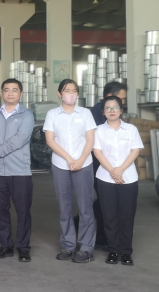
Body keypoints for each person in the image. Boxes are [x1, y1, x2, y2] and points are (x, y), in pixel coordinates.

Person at [43, 78, 97, 263]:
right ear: (60, 94)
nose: (71, 94)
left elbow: (90, 139)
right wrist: (69, 159)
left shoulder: (86, 113)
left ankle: (86, 248)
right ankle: (68, 245)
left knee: (85, 207)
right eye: (67, 91)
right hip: (61, 165)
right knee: (64, 207)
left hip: (84, 164)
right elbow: (50, 140)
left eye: (74, 91)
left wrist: (80, 160)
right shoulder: (52, 114)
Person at [0, 79, 35, 263]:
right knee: (0, 211)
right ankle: (5, 246)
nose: (10, 93)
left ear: (21, 94)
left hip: (20, 171)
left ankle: (23, 248)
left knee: (23, 211)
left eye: (14, 90)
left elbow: (20, 139)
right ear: (2, 93)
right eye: (7, 90)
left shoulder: (26, 115)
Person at [93, 95, 143, 266]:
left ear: (121, 111)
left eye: (115, 107)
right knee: (109, 216)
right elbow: (97, 152)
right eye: (108, 108)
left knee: (126, 217)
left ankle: (126, 252)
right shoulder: (98, 130)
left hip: (128, 178)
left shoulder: (131, 129)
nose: (112, 111)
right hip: (105, 179)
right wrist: (113, 172)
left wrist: (120, 170)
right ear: (103, 112)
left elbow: (135, 151)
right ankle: (113, 250)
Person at [89, 81, 127, 251]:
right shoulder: (97, 115)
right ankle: (102, 238)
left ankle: (104, 236)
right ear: (110, 96)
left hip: (109, 166)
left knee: (106, 202)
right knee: (106, 203)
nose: (123, 103)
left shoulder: (104, 111)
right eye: (122, 99)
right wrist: (113, 169)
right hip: (100, 166)